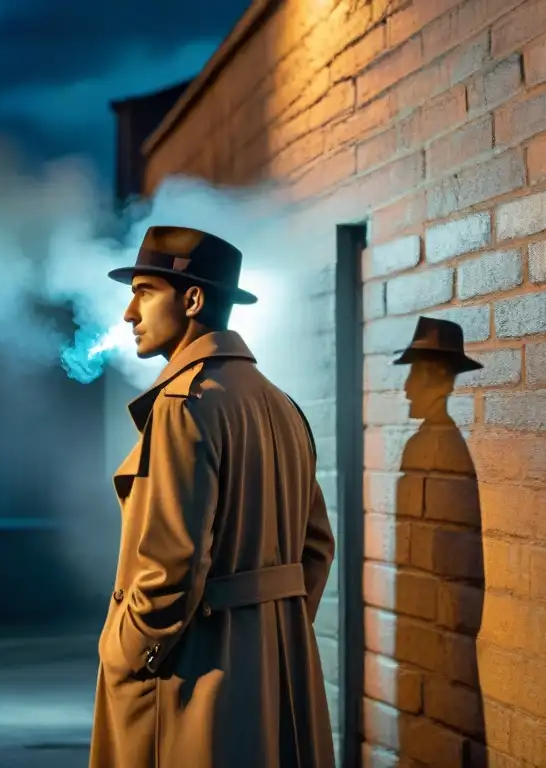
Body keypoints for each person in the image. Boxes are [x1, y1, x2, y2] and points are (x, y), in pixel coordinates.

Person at [89, 226, 336, 768]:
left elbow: (171, 568)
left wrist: (126, 652)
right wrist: (275, 624)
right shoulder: (282, 405)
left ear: (193, 299)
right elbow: (316, 548)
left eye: (145, 291)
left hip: (196, 679)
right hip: (278, 670)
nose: (130, 313)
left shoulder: (184, 405)